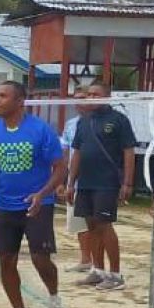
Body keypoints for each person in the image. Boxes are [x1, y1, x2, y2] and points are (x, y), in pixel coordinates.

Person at [0, 81, 68, 308]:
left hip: (37, 204)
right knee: (6, 259)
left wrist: (42, 193)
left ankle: (54, 298)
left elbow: (60, 168)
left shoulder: (41, 130)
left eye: (3, 96)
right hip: (5, 205)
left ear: (19, 101)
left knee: (40, 258)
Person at [67, 81, 136, 292]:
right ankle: (97, 270)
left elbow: (129, 151)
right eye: (89, 94)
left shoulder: (118, 120)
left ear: (107, 96)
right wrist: (70, 183)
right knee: (91, 226)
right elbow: (76, 152)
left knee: (105, 225)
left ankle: (115, 275)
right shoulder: (83, 122)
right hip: (85, 182)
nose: (92, 97)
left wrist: (127, 182)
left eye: (96, 94)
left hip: (106, 182)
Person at [59, 103, 95, 275]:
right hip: (74, 182)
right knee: (78, 224)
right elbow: (65, 153)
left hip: (95, 181)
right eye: (77, 98)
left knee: (96, 224)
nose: (80, 102)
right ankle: (85, 259)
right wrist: (63, 181)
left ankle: (98, 263)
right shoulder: (71, 124)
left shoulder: (100, 122)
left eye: (84, 98)